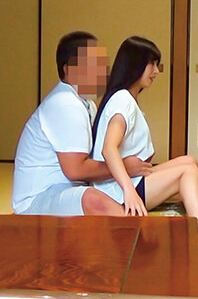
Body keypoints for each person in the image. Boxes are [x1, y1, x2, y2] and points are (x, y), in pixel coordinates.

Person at [91, 36, 198, 252]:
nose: (156, 71)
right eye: (151, 64)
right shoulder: (122, 100)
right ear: (134, 65)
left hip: (133, 179)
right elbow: (108, 148)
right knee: (186, 172)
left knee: (189, 161)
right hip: (118, 191)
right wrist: (129, 192)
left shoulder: (126, 97)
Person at [11, 31, 151, 216]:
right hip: (38, 198)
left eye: (102, 63)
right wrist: (124, 168)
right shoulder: (64, 103)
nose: (102, 70)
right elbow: (75, 170)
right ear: (69, 69)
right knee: (92, 198)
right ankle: (138, 228)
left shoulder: (86, 104)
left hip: (67, 189)